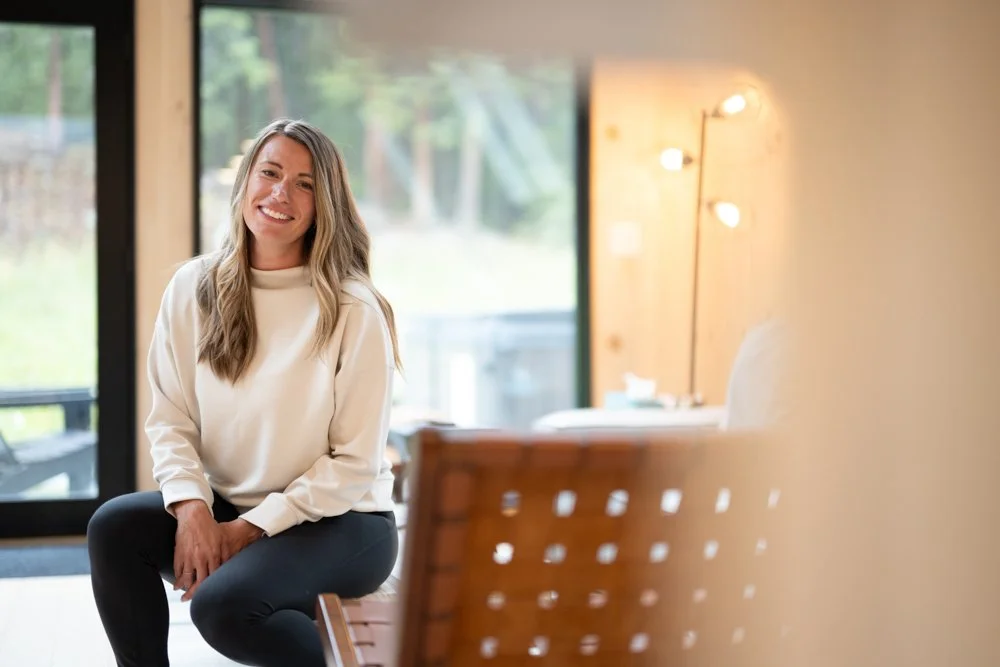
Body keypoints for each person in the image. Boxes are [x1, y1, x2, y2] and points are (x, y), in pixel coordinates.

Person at [87, 118, 401, 667]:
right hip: (231, 504)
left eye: (305, 183)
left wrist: (246, 531)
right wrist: (192, 512)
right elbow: (171, 419)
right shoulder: (194, 287)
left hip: (344, 521)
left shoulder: (354, 309)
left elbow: (353, 466)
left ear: (325, 203)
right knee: (114, 528)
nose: (281, 193)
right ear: (245, 183)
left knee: (224, 607)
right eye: (270, 172)